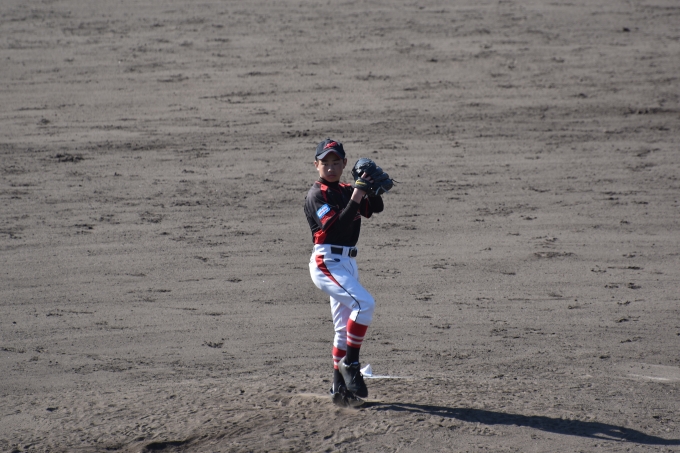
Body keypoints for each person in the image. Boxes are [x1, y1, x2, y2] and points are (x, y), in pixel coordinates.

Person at [304, 138, 385, 407]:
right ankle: (350, 363)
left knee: (342, 329)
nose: (331, 168)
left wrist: (370, 188)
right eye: (325, 163)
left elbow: (374, 208)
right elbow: (337, 227)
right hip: (327, 262)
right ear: (316, 165)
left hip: (347, 263)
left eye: (336, 162)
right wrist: (359, 191)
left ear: (344, 163)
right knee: (364, 304)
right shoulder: (317, 195)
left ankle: (339, 388)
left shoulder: (347, 189)